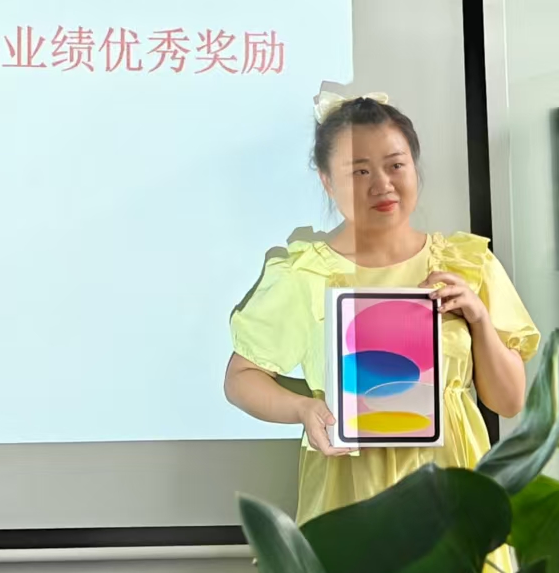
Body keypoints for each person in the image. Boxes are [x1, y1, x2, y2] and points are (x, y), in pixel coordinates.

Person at [224, 92, 539, 529]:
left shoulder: (467, 265)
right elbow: (240, 378)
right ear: (327, 182)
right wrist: (302, 409)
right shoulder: (305, 274)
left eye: (395, 165)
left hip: (453, 492)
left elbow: (509, 401)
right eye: (360, 171)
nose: (382, 184)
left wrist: (479, 319)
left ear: (414, 166)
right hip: (349, 494)